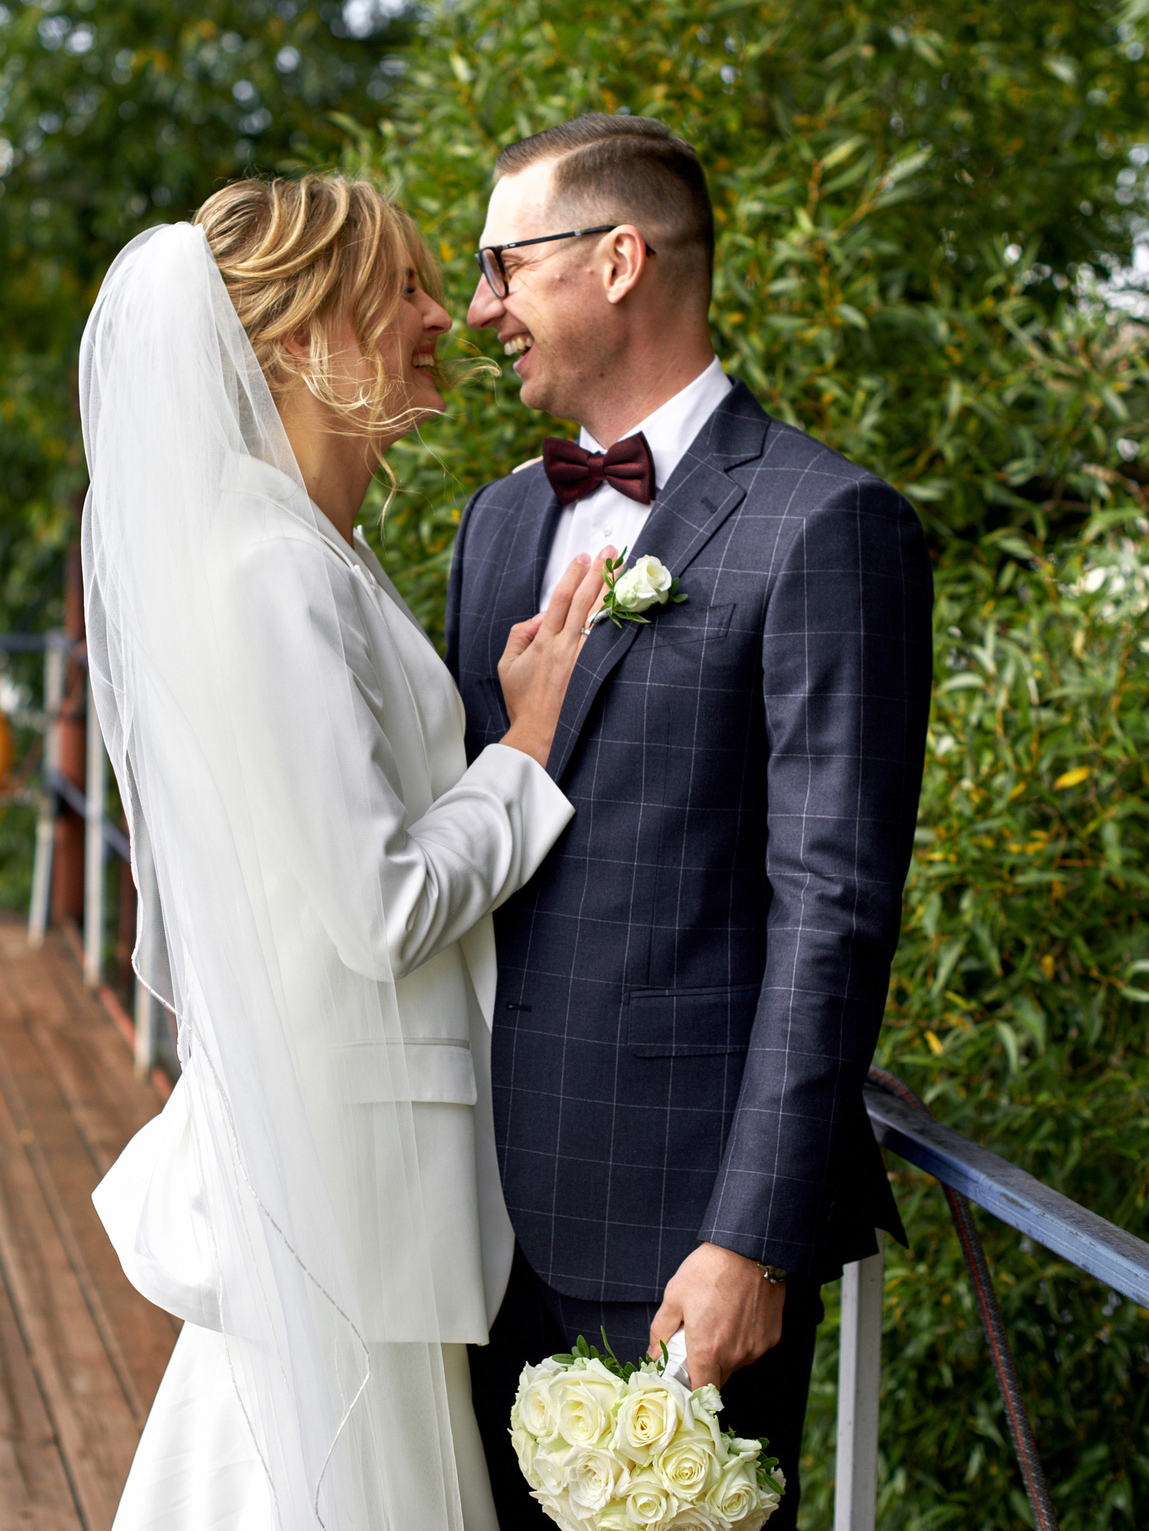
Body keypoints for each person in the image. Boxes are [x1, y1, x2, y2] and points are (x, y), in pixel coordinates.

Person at [84, 175, 613, 1531]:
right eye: (407, 288)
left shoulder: (315, 549)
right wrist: (526, 750)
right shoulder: (271, 570)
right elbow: (377, 906)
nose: (445, 314)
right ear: (299, 335)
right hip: (346, 1188)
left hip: (358, 1184)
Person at [446, 115, 934, 1525]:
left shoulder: (825, 523)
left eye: (502, 265)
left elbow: (833, 901)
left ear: (617, 259)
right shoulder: (494, 523)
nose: (481, 309)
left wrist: (752, 1235)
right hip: (469, 1220)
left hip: (678, 1239)